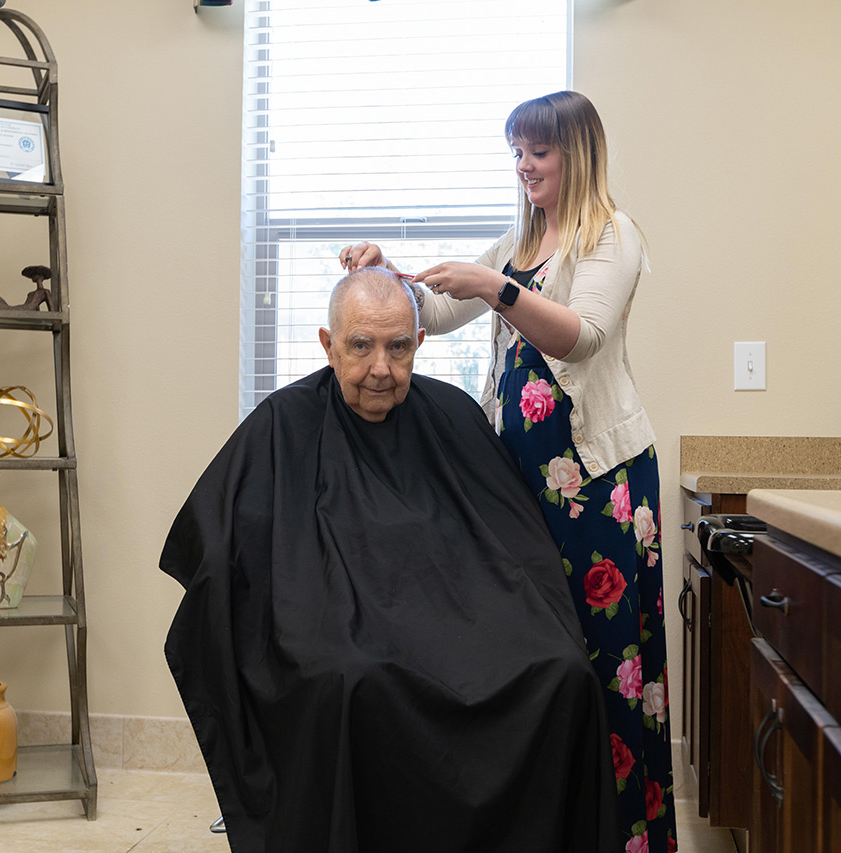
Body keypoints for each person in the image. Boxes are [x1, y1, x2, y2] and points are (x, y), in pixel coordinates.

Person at [160, 267, 620, 852]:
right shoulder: (283, 424)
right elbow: (218, 550)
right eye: (361, 346)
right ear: (328, 346)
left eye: (398, 347)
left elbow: (514, 548)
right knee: (348, 680)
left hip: (461, 628)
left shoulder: (451, 416)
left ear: (419, 344)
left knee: (562, 672)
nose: (381, 367)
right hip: (339, 634)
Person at [341, 91, 676, 852]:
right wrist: (385, 272)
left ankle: (625, 834)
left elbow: (582, 337)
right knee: (551, 663)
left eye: (538, 152)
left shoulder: (608, 235)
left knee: (610, 661)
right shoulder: (521, 241)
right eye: (516, 152)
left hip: (600, 488)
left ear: (576, 153)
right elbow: (437, 309)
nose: (524, 166)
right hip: (527, 493)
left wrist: (496, 285)